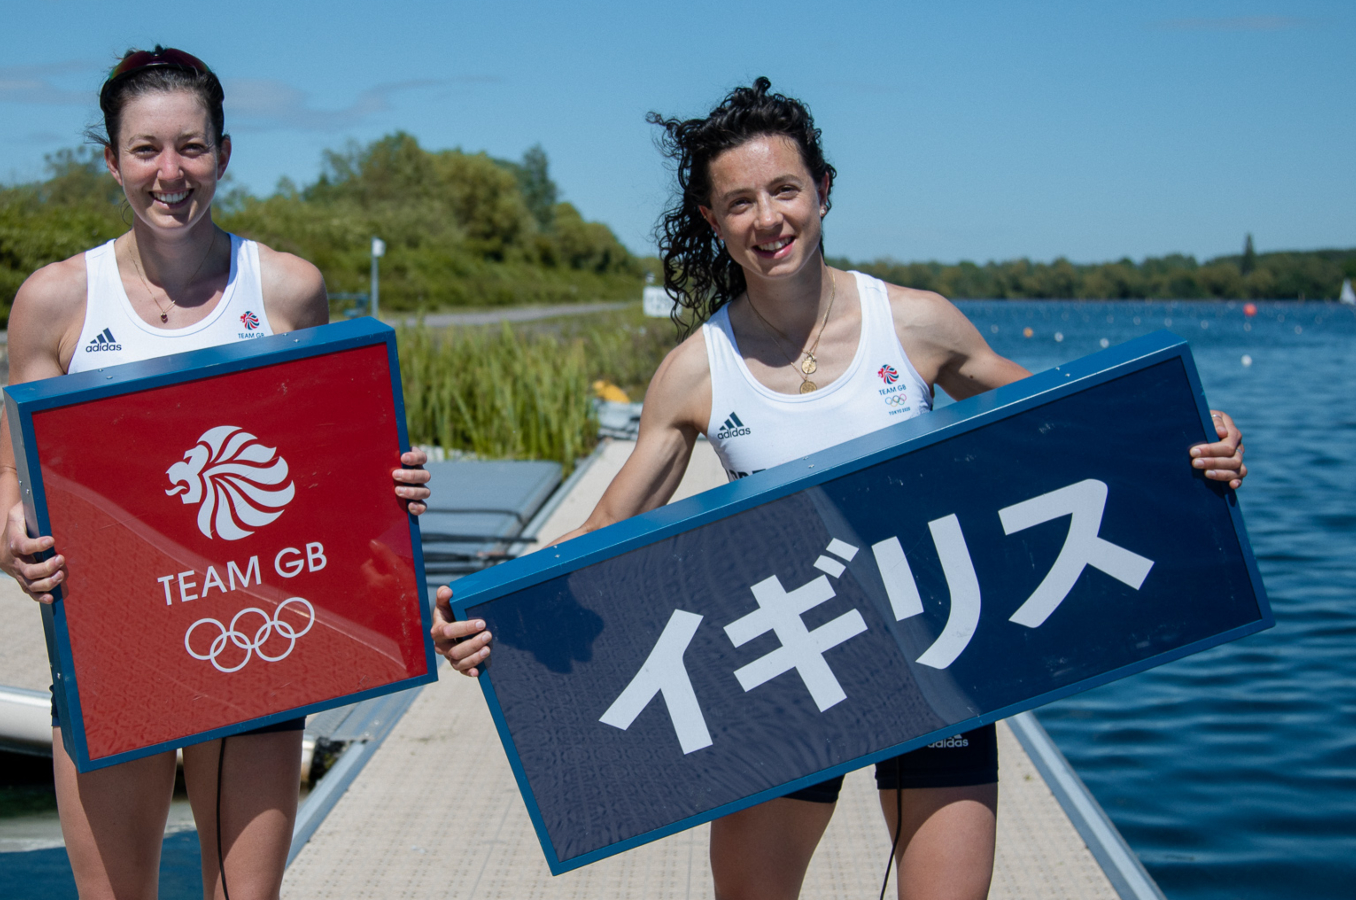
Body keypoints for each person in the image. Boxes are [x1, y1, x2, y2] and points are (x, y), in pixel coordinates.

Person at [431, 78, 1246, 900]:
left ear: (823, 190)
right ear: (714, 223)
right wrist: (486, 607)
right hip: (784, 661)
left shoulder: (916, 324)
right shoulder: (695, 372)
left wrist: (1181, 439)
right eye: (739, 203)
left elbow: (1069, 425)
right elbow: (609, 520)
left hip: (938, 650)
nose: (768, 219)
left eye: (785, 189)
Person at [0, 46, 432, 900]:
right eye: (146, 149)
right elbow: (12, 475)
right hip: (115, 646)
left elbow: (331, 465)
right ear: (110, 160)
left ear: (224, 154)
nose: (170, 172)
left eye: (191, 147)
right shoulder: (56, 300)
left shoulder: (288, 291)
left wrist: (392, 485)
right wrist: (10, 535)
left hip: (258, 636)